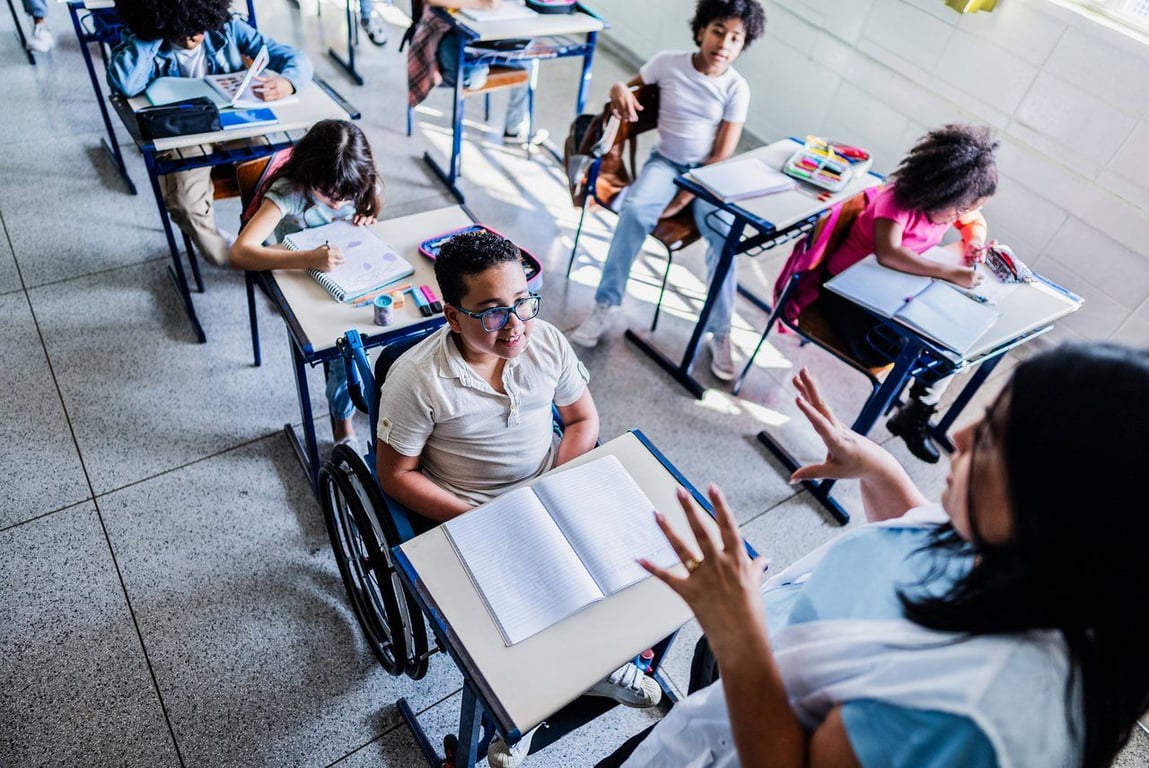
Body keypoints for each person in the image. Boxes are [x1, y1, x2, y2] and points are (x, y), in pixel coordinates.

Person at [596, 343, 1149, 768]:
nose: (958, 434)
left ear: (1063, 498)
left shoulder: (972, 709)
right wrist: (879, 472)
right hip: (744, 688)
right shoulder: (1044, 562)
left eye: (995, 436)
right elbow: (930, 549)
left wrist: (737, 632)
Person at [374, 230, 659, 768]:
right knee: (519, 612)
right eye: (492, 312)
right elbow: (396, 476)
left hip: (549, 484)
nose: (516, 324)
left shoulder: (545, 341)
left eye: (523, 301)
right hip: (469, 509)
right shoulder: (417, 381)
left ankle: (600, 666)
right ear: (452, 316)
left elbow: (580, 420)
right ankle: (521, 714)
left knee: (613, 572)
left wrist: (557, 485)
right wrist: (481, 518)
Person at [569, 0, 767, 382]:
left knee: (724, 237)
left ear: (743, 46)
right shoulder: (667, 62)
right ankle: (606, 303)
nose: (724, 43)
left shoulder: (735, 88)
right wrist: (617, 90)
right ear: (700, 31)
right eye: (718, 31)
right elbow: (624, 88)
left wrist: (683, 198)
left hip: (708, 175)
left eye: (735, 38)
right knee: (636, 211)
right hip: (665, 163)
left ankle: (721, 332)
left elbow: (720, 157)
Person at [816, 123, 999, 463]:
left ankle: (918, 409)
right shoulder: (896, 202)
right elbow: (889, 254)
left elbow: (976, 221)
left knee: (952, 342)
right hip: (847, 291)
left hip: (897, 290)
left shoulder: (954, 202)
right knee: (892, 352)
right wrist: (949, 271)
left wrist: (973, 241)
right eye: (959, 209)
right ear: (938, 192)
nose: (962, 215)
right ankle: (913, 406)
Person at [107, 0, 314, 268]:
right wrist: (153, 32)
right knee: (184, 203)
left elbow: (295, 58)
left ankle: (285, 247)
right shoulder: (148, 36)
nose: (193, 37)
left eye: (200, 28)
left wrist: (289, 82)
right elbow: (123, 82)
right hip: (184, 133)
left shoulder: (227, 28)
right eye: (182, 31)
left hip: (231, 124)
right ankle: (232, 257)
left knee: (273, 169)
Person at [231, 119, 382, 448]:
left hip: (352, 276)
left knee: (386, 330)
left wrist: (368, 216)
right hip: (304, 282)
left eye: (347, 197)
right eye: (329, 196)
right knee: (346, 350)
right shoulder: (291, 191)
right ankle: (343, 426)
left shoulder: (354, 177)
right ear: (309, 173)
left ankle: (370, 395)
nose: (339, 204)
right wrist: (307, 259)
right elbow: (240, 253)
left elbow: (370, 198)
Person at [405, 0, 533, 144]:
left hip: (490, 27)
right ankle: (444, 72)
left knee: (527, 60)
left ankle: (514, 129)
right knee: (474, 77)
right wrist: (481, 3)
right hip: (446, 31)